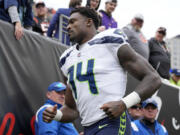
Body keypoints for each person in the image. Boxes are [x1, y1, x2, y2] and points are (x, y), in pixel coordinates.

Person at [43, 7, 161, 135]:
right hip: (88, 127)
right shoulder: (66, 59)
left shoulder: (109, 40)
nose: (68, 26)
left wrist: (123, 104)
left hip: (112, 121)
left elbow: (153, 78)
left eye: (73, 22)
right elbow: (72, 109)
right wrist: (57, 115)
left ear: (88, 22)